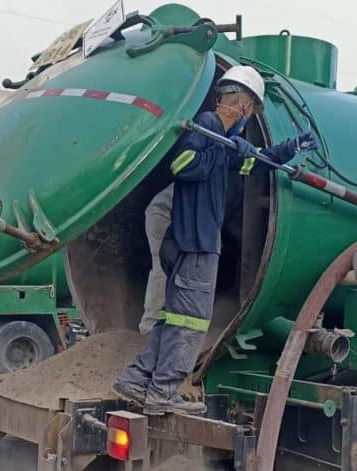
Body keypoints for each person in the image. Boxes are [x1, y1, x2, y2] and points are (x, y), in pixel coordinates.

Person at [113, 65, 318, 415]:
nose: (248, 117)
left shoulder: (224, 140)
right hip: (195, 244)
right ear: (243, 105)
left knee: (175, 318)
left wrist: (290, 148)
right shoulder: (208, 126)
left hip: (190, 242)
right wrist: (222, 150)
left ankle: (135, 379)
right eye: (250, 110)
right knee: (192, 320)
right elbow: (183, 164)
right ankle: (163, 391)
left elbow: (256, 163)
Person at [139, 183, 174, 336]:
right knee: (162, 270)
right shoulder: (227, 186)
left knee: (162, 269)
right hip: (163, 214)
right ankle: (149, 326)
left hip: (159, 213)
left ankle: (154, 324)